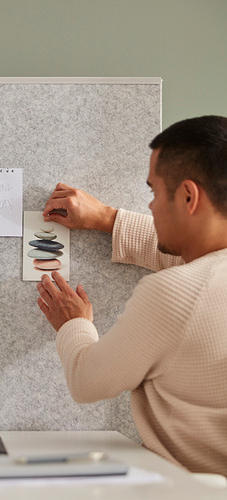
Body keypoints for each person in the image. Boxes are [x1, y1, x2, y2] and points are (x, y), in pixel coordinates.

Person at [36, 115, 227, 476]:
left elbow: (87, 380)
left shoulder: (171, 294)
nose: (151, 206)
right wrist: (109, 218)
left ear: (188, 196)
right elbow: (201, 264)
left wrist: (74, 324)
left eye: (154, 192)